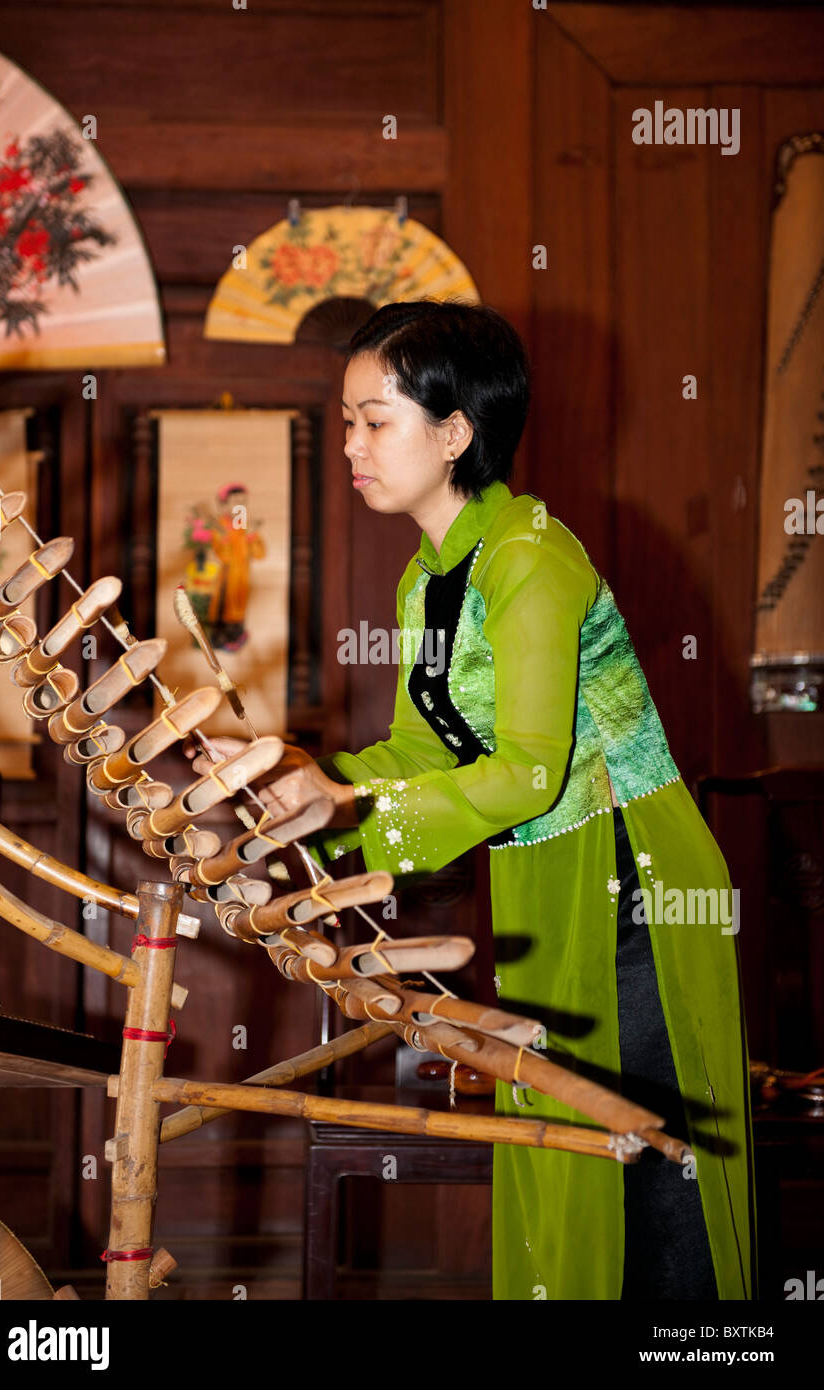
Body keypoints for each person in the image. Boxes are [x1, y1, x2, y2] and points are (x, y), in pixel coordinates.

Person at [192, 298, 757, 1301]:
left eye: (375, 420)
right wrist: (323, 792)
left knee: (642, 1158)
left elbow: (532, 769)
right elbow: (426, 746)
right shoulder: (430, 574)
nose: (351, 444)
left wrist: (356, 804)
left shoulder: (529, 558)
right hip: (546, 868)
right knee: (560, 1134)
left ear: (453, 433)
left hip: (630, 877)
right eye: (347, 420)